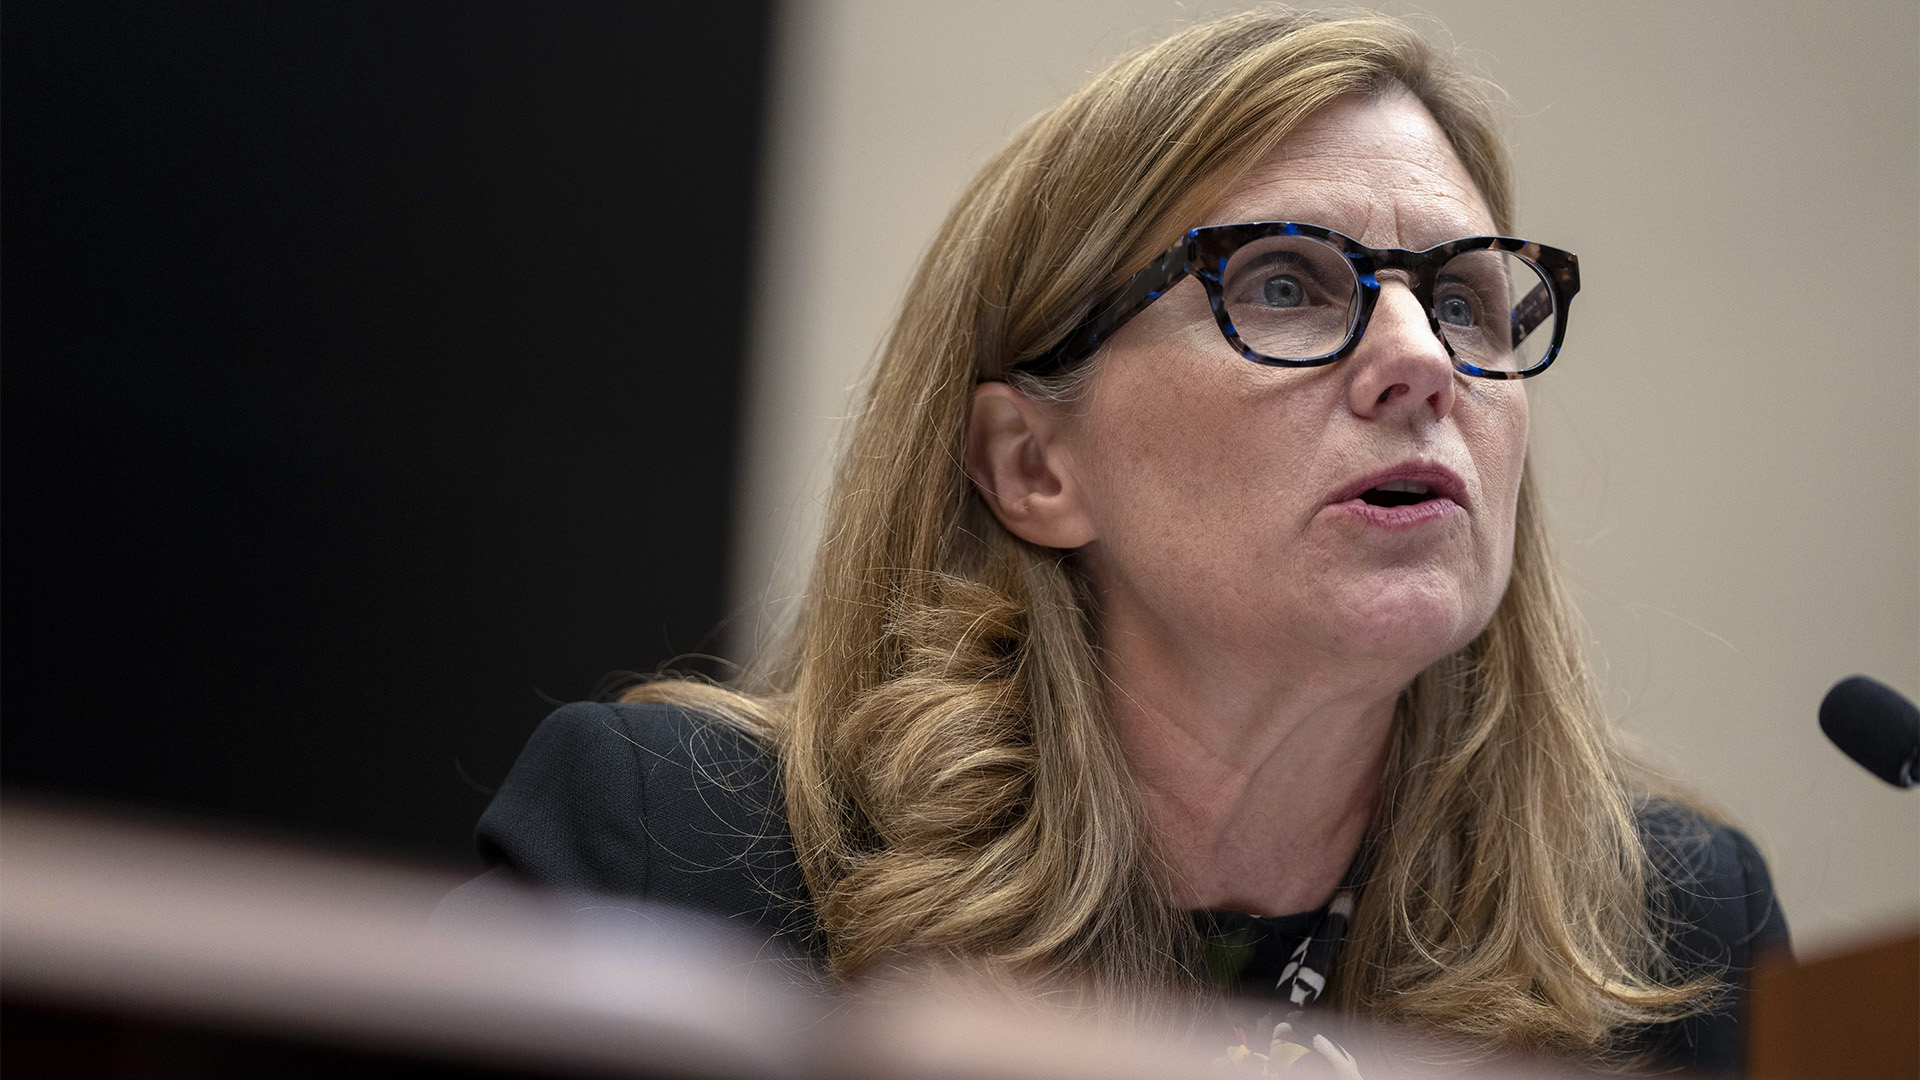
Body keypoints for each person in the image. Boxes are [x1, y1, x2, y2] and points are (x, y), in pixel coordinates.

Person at [453, 8, 1788, 1074]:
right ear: (1034, 466)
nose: (1420, 362)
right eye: (1282, 285)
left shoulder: (1673, 938)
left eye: (1466, 301)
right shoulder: (676, 855)